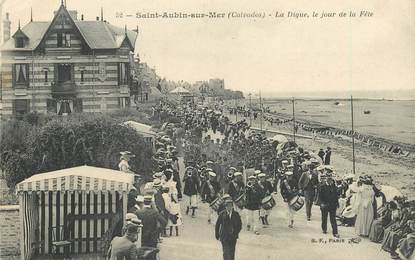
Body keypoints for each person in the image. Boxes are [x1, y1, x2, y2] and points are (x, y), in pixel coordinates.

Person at [135, 195, 167, 260]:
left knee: (142, 255)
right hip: (152, 237)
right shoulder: (155, 212)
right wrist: (158, 231)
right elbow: (164, 222)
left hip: (141, 237)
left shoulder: (138, 212)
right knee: (152, 255)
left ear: (143, 202)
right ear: (151, 203)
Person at [215, 196, 242, 260]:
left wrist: (236, 232)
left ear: (232, 207)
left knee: (232, 253)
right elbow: (217, 225)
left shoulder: (236, 214)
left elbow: (240, 225)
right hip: (224, 237)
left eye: (230, 206)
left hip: (233, 237)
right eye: (227, 206)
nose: (228, 207)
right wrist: (217, 235)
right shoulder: (222, 214)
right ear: (225, 207)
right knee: (225, 253)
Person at [318, 173, 339, 238]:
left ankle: (335, 232)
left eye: (330, 178)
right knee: (324, 218)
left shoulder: (334, 186)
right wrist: (322, 204)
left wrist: (337, 203)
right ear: (326, 179)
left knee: (333, 219)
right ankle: (324, 229)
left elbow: (336, 196)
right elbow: (320, 197)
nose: (329, 179)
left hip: (333, 205)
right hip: (325, 205)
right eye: (328, 178)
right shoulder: (322, 186)